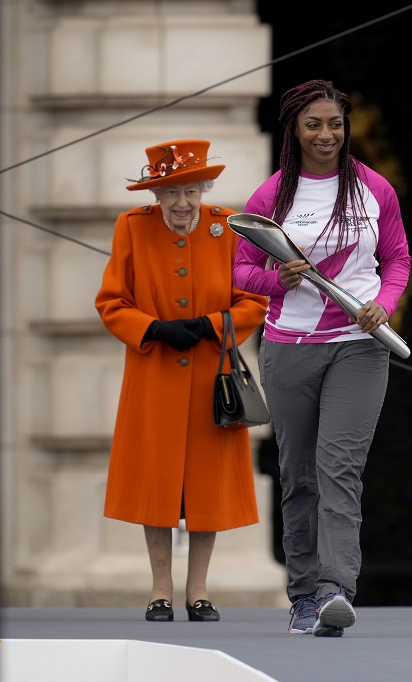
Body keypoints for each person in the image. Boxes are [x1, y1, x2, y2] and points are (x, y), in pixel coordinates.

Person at [232, 80, 412, 637]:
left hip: (358, 349)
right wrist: (275, 280)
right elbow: (238, 272)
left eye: (335, 123)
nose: (326, 134)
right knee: (298, 475)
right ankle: (303, 596)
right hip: (288, 349)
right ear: (294, 129)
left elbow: (398, 259)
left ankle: (336, 591)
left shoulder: (374, 189)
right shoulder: (270, 199)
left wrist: (382, 305)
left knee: (340, 468)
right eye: (313, 124)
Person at [95, 139, 268, 623]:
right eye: (171, 193)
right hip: (153, 374)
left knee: (206, 488)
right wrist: (153, 328)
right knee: (157, 484)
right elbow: (111, 302)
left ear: (204, 188)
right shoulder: (131, 227)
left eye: (190, 191)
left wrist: (212, 326)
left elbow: (253, 300)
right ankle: (158, 591)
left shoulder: (228, 227)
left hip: (213, 376)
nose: (182, 203)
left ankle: (199, 591)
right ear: (156, 194)